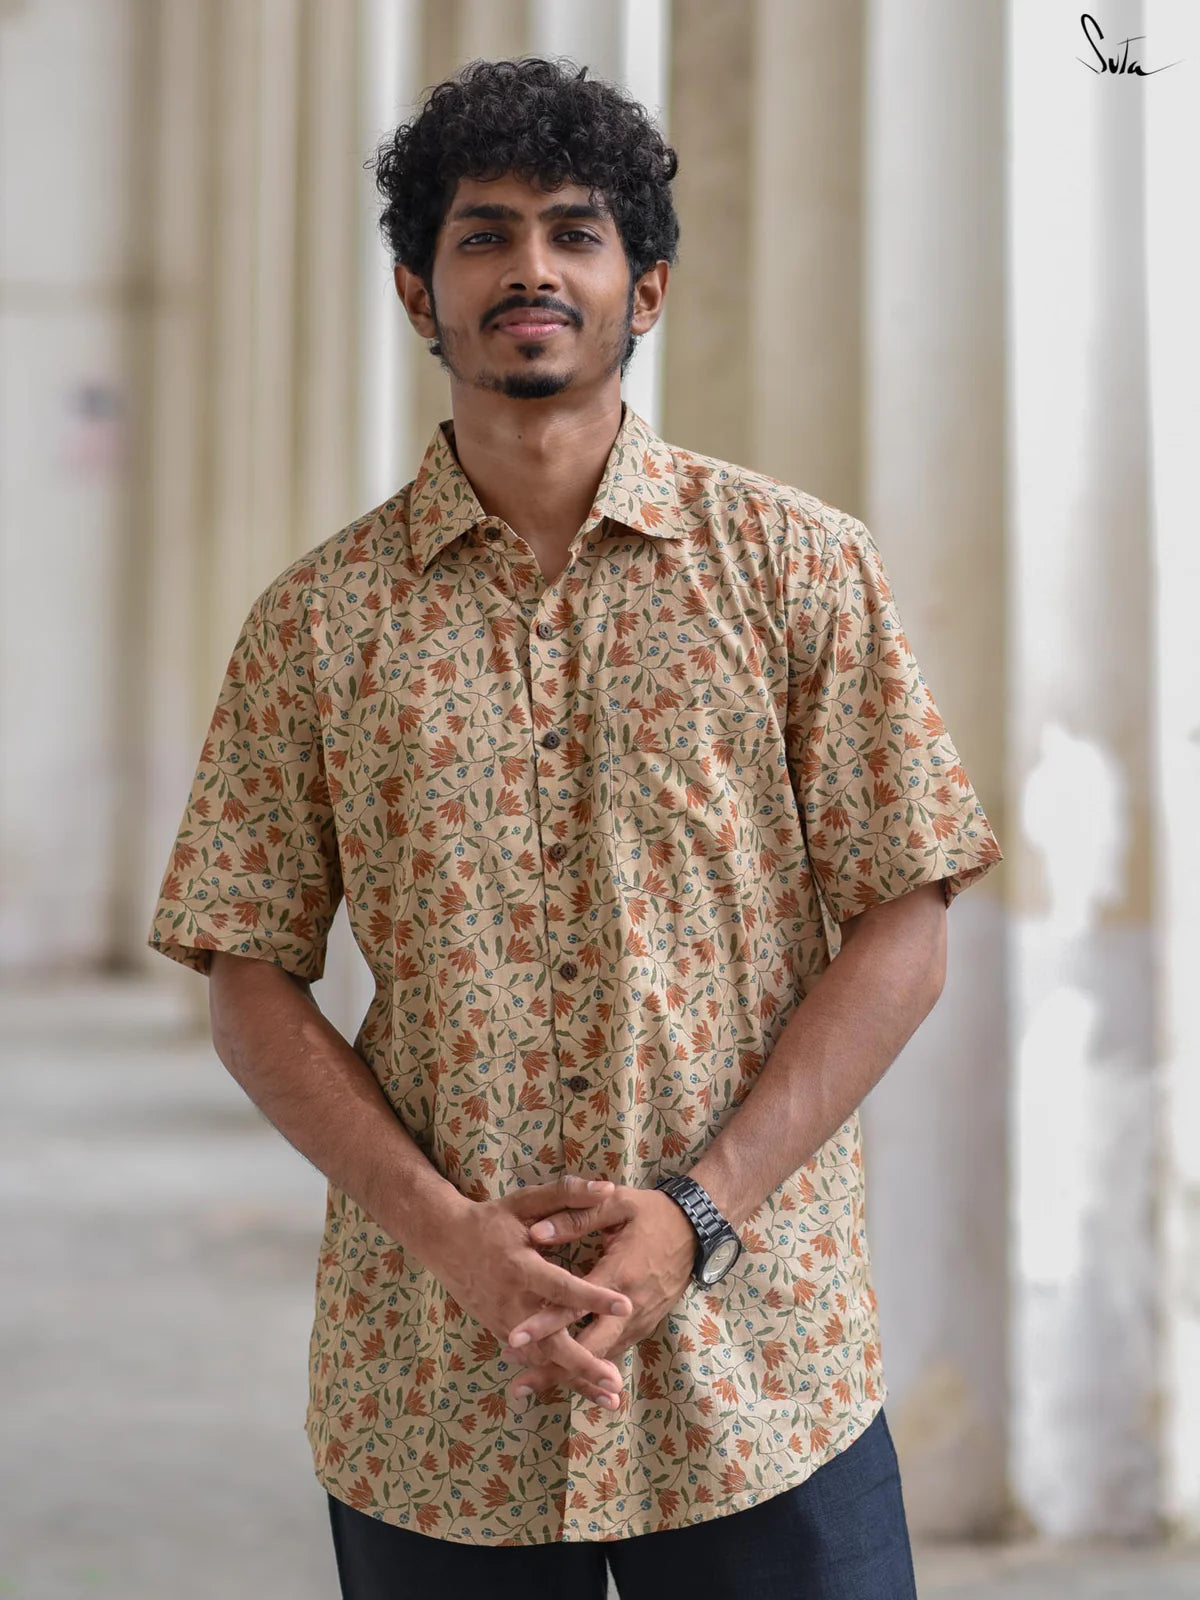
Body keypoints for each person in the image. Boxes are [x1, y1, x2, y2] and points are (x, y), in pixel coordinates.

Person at [148, 54, 1002, 1599]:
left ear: (646, 287)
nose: (530, 267)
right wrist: (449, 1236)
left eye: (573, 231)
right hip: (436, 1384)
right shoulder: (318, 626)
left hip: (759, 1371)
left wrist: (699, 1214)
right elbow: (248, 969)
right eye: (482, 235)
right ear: (419, 290)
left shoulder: (802, 571)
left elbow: (907, 917)